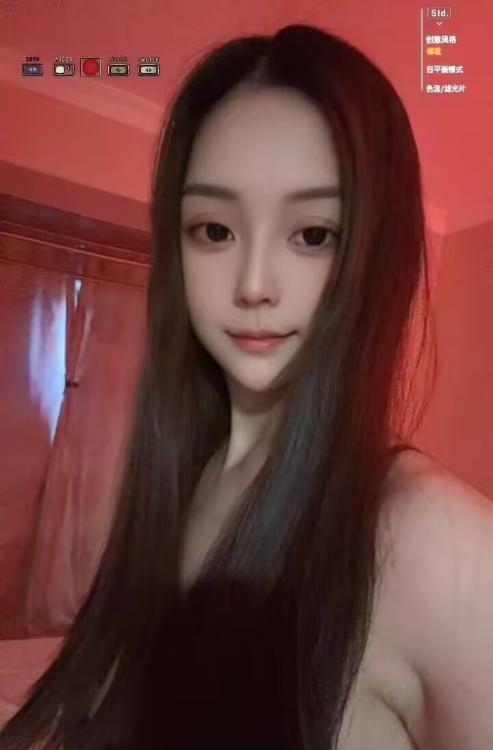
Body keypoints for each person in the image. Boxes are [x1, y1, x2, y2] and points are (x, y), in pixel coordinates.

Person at [1, 22, 492, 750]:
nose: (254, 284)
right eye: (214, 230)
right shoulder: (186, 470)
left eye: (313, 234)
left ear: (374, 253)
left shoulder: (433, 540)